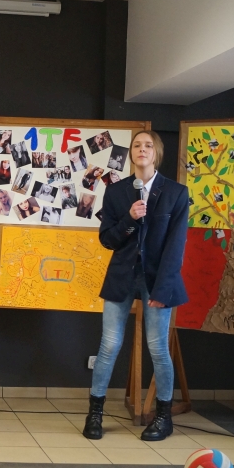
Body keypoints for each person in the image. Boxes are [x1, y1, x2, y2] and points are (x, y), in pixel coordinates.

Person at [83, 131, 188, 442]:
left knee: (158, 347)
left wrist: (163, 290)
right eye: (137, 145)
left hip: (158, 279)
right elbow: (107, 239)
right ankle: (95, 413)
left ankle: (163, 417)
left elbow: (176, 247)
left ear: (157, 153)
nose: (142, 149)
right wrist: (129, 219)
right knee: (109, 345)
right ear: (131, 153)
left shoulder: (176, 193)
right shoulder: (116, 192)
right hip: (122, 276)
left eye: (148, 145)